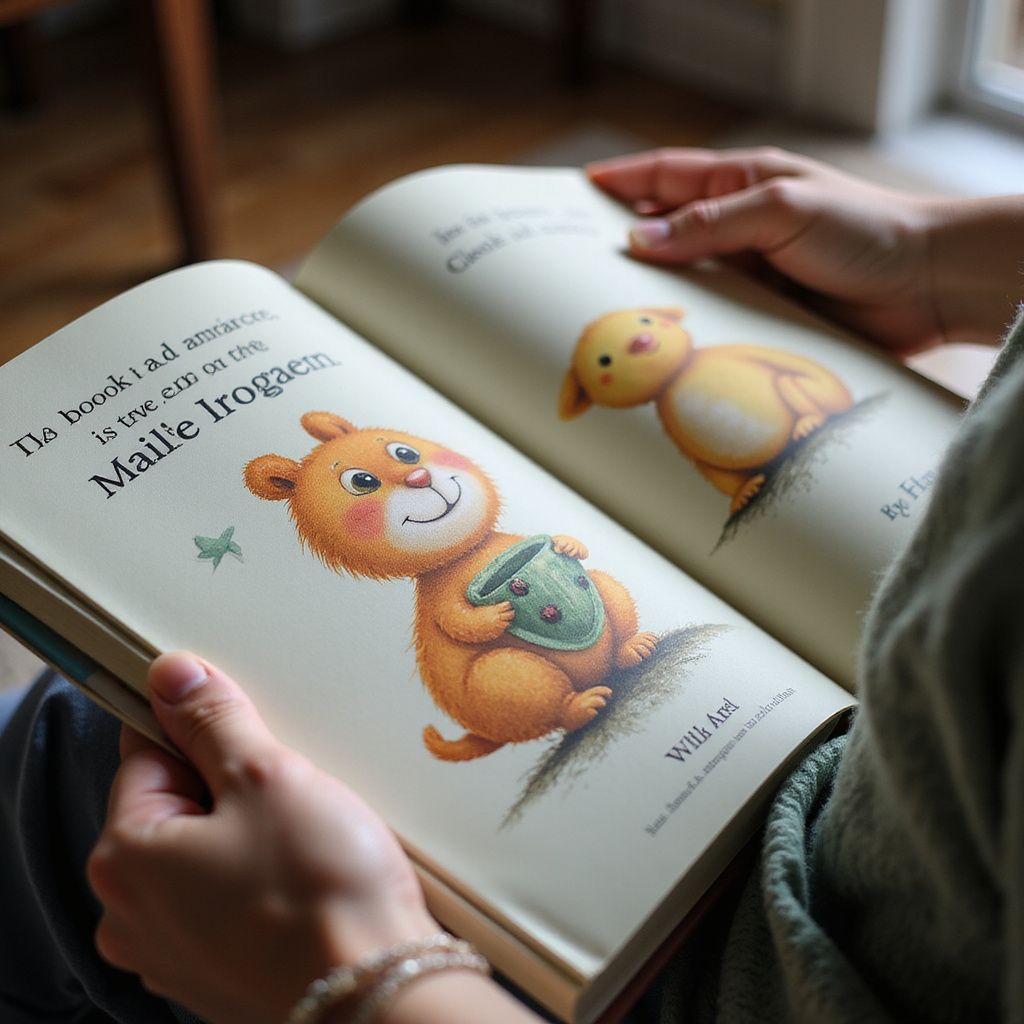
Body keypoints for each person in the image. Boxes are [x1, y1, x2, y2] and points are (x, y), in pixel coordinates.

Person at [2, 147, 1022, 1024]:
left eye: (399, 459)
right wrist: (947, 257)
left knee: (79, 748)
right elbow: (453, 630)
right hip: (898, 763)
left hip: (792, 938)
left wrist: (364, 981)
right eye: (371, 480)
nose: (415, 478)